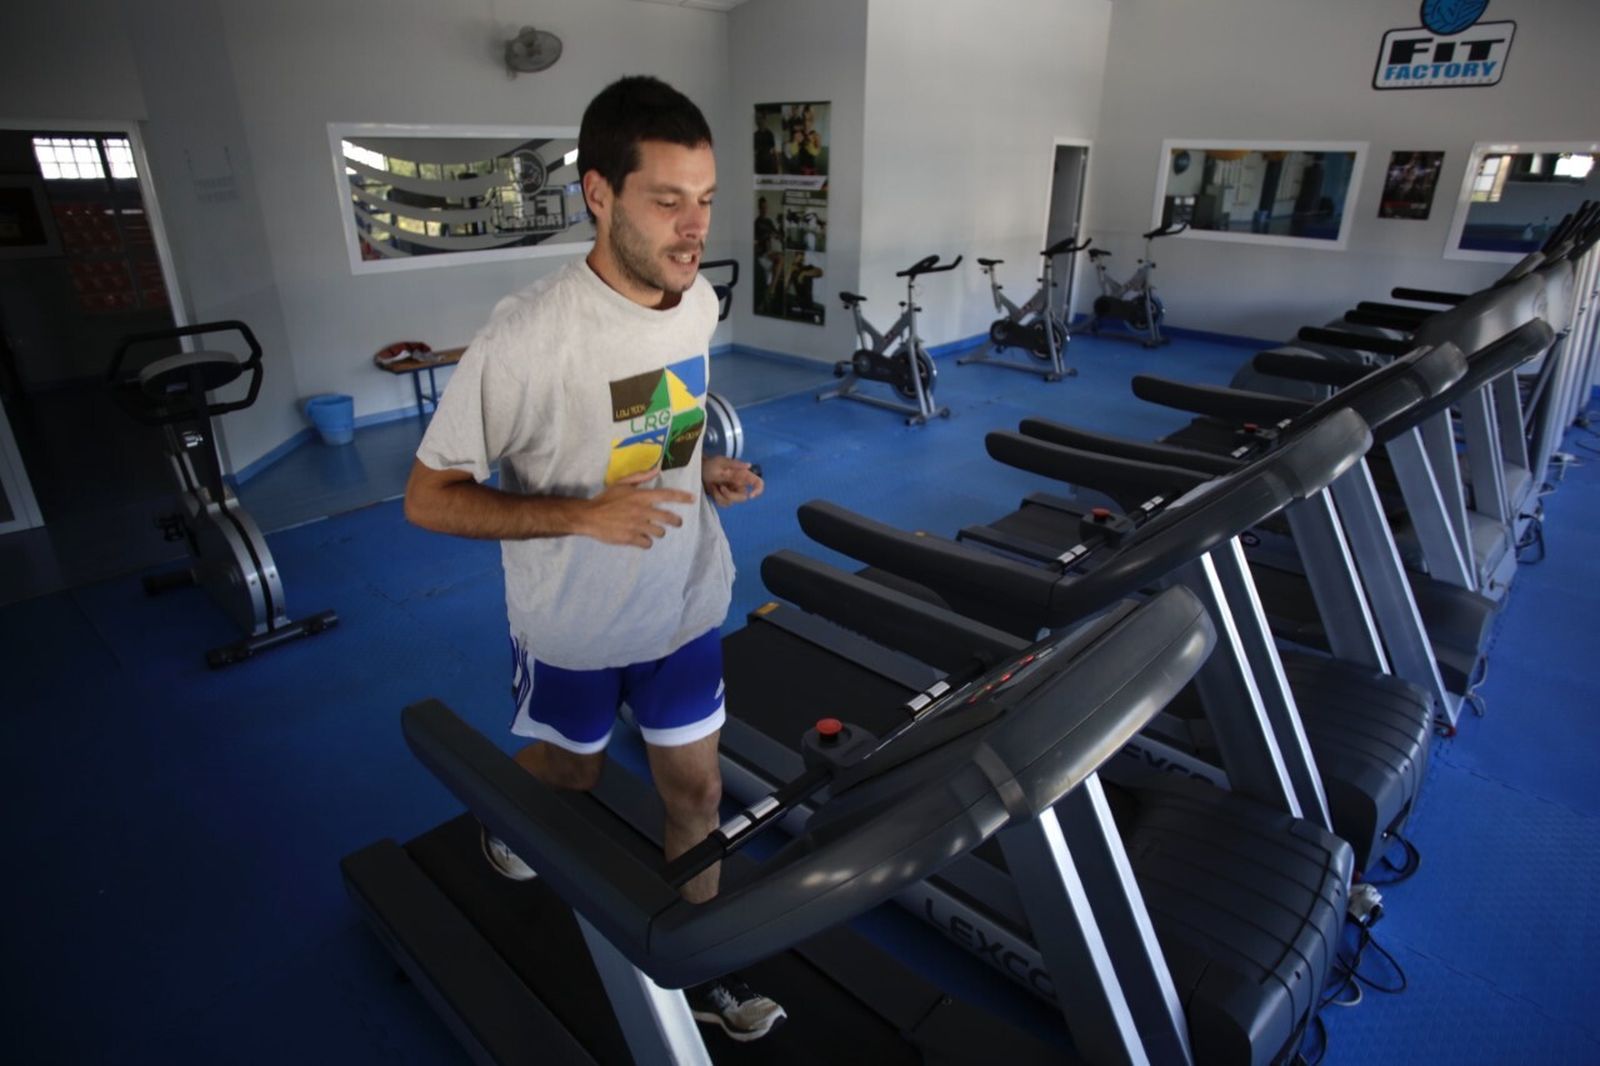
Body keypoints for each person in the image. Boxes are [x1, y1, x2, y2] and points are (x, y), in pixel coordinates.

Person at [402, 75, 782, 1043]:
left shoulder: (691, 298)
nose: (692, 227)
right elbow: (428, 497)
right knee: (561, 783)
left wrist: (701, 477)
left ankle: (701, 976)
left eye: (704, 199)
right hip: (573, 621)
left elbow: (657, 435)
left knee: (694, 792)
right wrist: (581, 520)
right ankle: (509, 816)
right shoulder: (527, 337)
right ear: (599, 193)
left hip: (685, 598)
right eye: (666, 200)